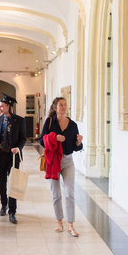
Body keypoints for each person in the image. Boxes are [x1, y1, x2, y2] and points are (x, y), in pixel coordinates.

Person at [39, 97, 83, 237]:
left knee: (70, 193)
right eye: (61, 105)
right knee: (56, 194)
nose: (64, 107)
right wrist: (54, 138)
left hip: (68, 160)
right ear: (55, 107)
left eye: (65, 105)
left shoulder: (73, 125)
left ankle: (70, 224)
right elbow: (42, 140)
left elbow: (77, 147)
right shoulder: (50, 122)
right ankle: (59, 222)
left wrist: (78, 143)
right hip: (53, 161)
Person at [0, 94, 26, 224]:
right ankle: (3, 205)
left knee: (14, 184)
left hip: (13, 157)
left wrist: (18, 148)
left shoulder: (19, 120)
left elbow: (23, 138)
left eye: (2, 106)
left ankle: (12, 211)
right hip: (1, 155)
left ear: (8, 106)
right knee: (1, 183)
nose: (0, 108)